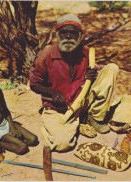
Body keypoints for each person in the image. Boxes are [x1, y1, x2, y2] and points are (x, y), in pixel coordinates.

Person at [29, 14, 119, 151]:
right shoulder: (47, 53)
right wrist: (52, 92)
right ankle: (66, 125)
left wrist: (93, 75)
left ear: (80, 36)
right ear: (57, 35)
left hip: (81, 102)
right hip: (58, 107)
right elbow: (34, 84)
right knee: (62, 145)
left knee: (112, 68)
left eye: (73, 33)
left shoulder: (86, 52)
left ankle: (94, 117)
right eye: (64, 33)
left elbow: (91, 80)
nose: (68, 37)